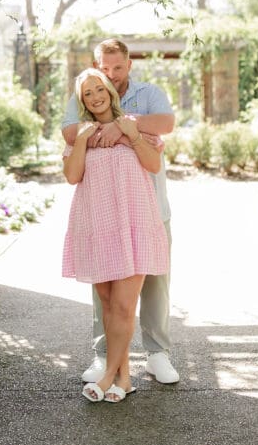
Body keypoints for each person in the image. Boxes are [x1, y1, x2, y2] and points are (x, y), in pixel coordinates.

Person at [62, 38, 179, 385]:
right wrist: (99, 129)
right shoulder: (85, 94)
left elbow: (166, 124)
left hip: (148, 210)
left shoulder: (147, 94)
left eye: (117, 68)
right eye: (104, 69)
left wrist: (126, 127)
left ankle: (157, 355)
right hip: (102, 216)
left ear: (129, 65)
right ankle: (106, 359)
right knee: (108, 298)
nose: (110, 76)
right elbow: (69, 132)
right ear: (96, 68)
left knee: (154, 286)